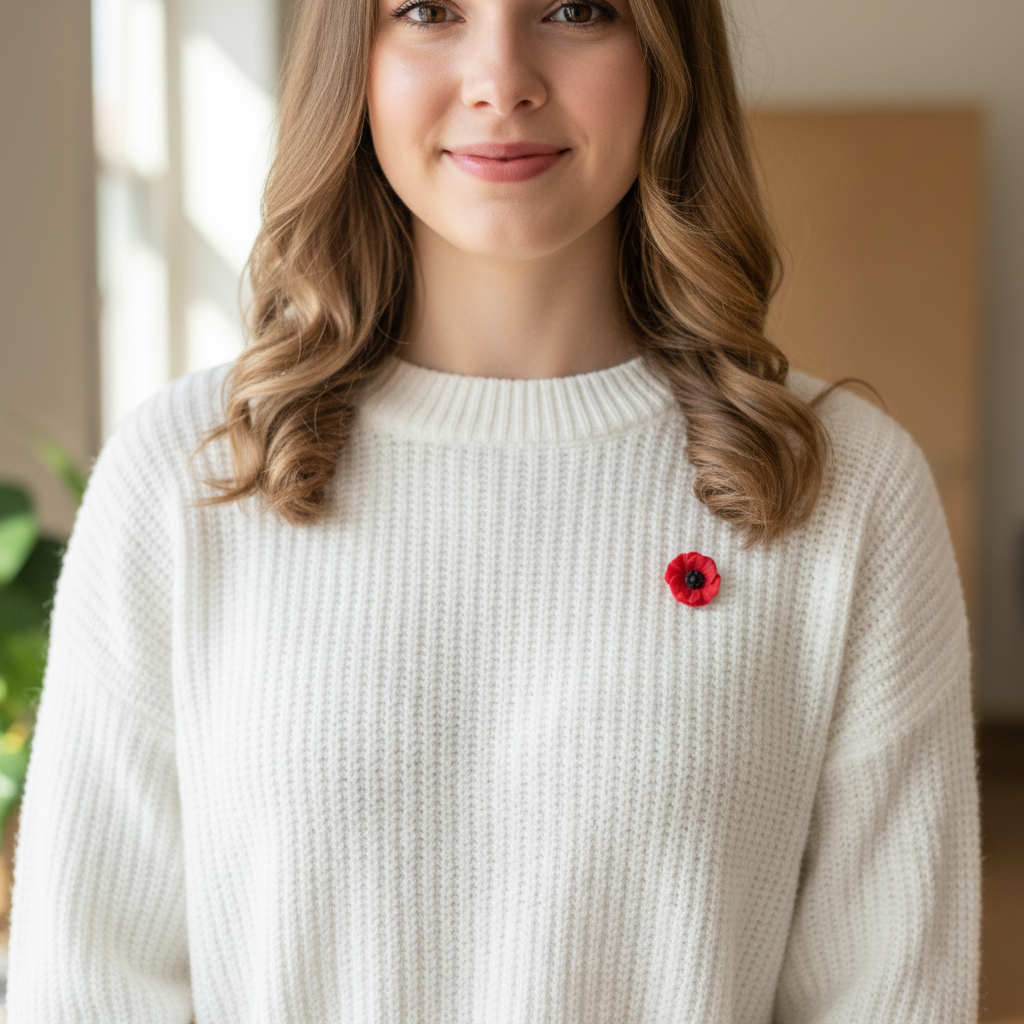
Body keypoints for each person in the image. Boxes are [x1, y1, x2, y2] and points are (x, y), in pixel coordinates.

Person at [5, 0, 981, 1018]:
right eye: (428, 10)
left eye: (578, 9)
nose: (500, 78)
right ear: (354, 62)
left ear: (666, 54)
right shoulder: (186, 473)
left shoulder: (845, 489)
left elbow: (890, 993)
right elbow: (90, 983)